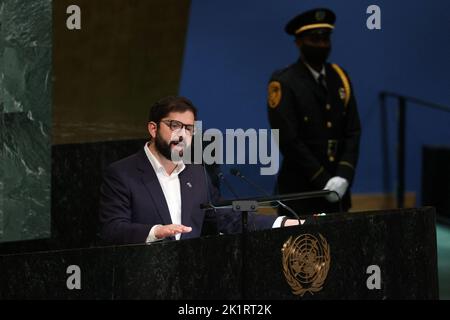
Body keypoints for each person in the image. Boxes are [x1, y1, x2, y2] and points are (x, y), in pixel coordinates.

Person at [99, 96, 299, 245]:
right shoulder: (122, 173)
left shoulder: (198, 175)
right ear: (153, 129)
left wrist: (283, 223)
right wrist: (155, 231)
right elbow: (113, 229)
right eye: (174, 126)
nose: (182, 135)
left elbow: (227, 217)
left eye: (189, 128)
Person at [267, 8, 361, 216]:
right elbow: (289, 140)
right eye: (314, 39)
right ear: (299, 42)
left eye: (325, 38)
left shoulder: (340, 77)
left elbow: (353, 130)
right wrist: (323, 181)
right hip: (300, 192)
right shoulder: (284, 82)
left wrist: (344, 176)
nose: (321, 44)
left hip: (338, 190)